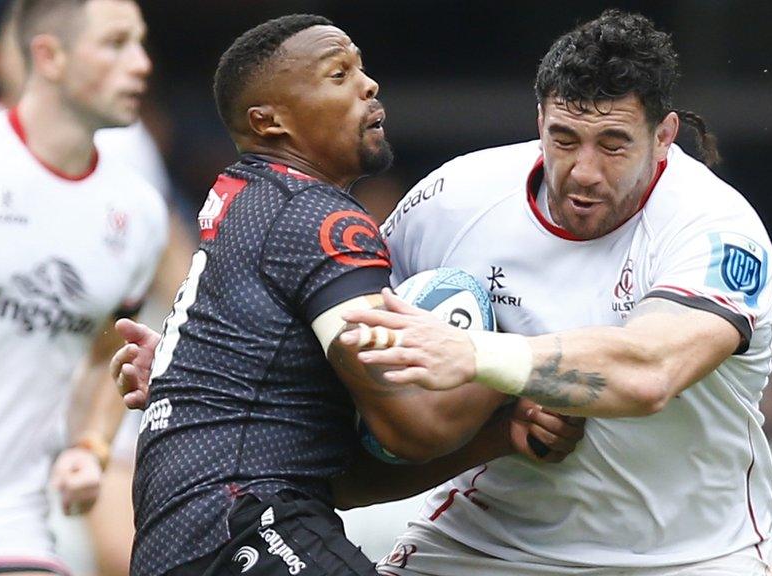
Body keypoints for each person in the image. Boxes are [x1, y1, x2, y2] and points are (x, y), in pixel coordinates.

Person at [114, 9, 772, 575]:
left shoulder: (713, 226)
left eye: (613, 145)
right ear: (539, 117)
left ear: (663, 138)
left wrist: (479, 359)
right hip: (478, 544)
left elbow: (652, 371)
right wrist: (210, 366)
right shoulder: (454, 200)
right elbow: (352, 358)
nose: (584, 170)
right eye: (564, 138)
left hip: (688, 555)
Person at [117, 14, 581, 576]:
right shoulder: (316, 218)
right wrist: (518, 358)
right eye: (338, 74)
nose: (368, 85)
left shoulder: (242, 199)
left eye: (361, 68)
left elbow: (343, 479)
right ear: (270, 121)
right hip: (243, 522)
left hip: (190, 537)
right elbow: (413, 427)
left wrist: (500, 437)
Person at [0, 0, 167, 574]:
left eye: (140, 42)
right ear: (49, 56)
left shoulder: (137, 214)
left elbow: (104, 354)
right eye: (116, 43)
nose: (141, 63)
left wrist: (90, 448)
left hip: (9, 519)